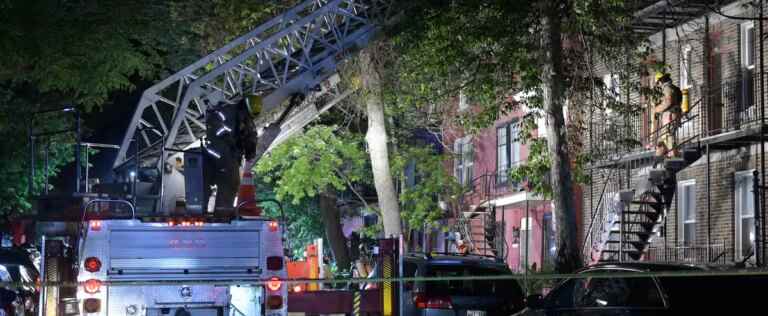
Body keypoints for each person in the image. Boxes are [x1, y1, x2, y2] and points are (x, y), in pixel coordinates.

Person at [652, 72, 682, 158]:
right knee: (663, 138)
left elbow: (668, 102)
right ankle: (660, 156)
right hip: (673, 114)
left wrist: (656, 110)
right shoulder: (672, 87)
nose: (658, 85)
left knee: (668, 135)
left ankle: (674, 155)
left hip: (670, 115)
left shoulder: (667, 88)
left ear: (660, 81)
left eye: (658, 83)